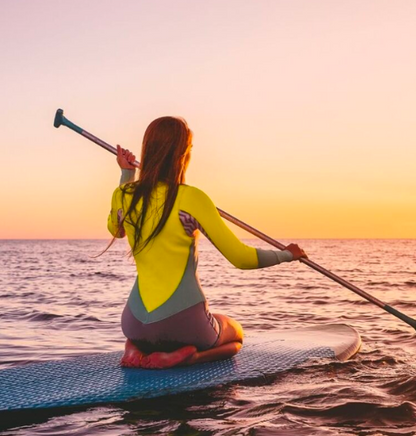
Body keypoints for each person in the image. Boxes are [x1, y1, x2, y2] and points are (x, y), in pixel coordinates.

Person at [107, 116, 306, 369]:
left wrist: (126, 175)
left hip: (133, 323)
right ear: (182, 154)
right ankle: (187, 356)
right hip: (185, 325)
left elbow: (116, 229)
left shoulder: (123, 194)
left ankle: (136, 347)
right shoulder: (192, 198)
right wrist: (286, 255)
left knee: (151, 331)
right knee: (235, 335)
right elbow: (241, 258)